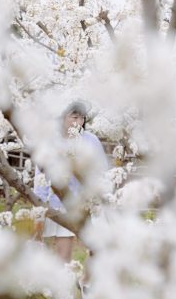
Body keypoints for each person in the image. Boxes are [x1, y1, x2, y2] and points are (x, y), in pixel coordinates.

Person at [33, 100, 108, 262]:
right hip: (54, 202)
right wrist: (39, 207)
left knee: (78, 254)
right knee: (51, 254)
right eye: (74, 117)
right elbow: (40, 175)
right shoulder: (50, 140)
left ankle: (76, 284)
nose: (78, 122)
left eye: (82, 118)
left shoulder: (90, 140)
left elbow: (101, 171)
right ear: (62, 117)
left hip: (80, 204)